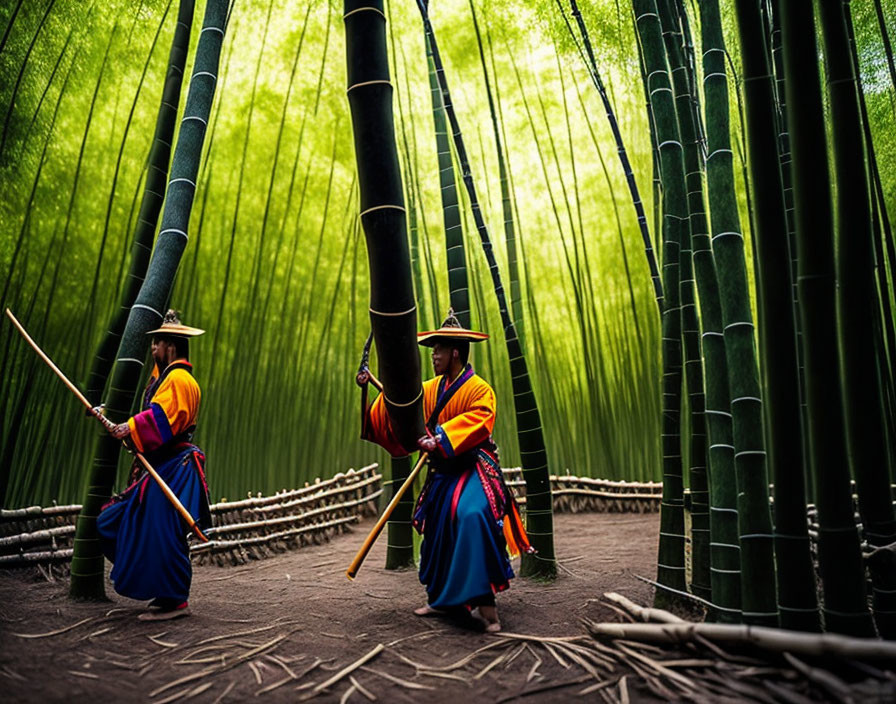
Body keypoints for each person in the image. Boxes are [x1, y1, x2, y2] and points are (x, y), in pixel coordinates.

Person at [357, 310, 532, 633]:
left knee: (471, 517)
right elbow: (401, 407)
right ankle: (442, 600)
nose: (433, 355)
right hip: (442, 471)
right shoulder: (430, 388)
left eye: (438, 349)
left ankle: (487, 608)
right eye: (432, 349)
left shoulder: (480, 389)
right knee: (437, 528)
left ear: (455, 352)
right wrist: (372, 389)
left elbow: (480, 420)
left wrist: (441, 439)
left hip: (473, 469)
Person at [97, 310, 210, 621]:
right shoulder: (163, 378)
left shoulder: (180, 379)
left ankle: (174, 599)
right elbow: (148, 413)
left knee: (164, 532)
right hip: (159, 467)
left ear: (170, 346)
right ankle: (152, 577)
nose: (152, 349)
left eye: (156, 343)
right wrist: (114, 415)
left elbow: (160, 421)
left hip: (174, 467)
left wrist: (129, 427)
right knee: (110, 523)